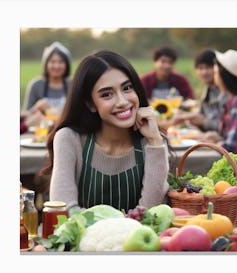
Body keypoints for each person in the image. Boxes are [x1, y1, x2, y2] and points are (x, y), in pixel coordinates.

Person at [41, 50, 170, 212]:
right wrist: (119, 226)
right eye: (107, 94)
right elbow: (63, 210)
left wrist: (156, 142)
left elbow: (153, 212)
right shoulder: (69, 138)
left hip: (140, 237)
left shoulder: (150, 141)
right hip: (82, 237)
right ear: (90, 104)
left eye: (127, 88)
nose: (122, 102)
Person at [200, 49, 237, 155]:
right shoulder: (231, 101)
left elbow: (232, 148)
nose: (214, 77)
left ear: (224, 76)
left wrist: (212, 144)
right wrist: (219, 137)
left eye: (215, 73)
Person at [173, 48, 228, 132]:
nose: (204, 72)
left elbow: (229, 126)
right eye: (200, 68)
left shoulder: (226, 91)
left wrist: (204, 122)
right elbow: (200, 116)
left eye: (208, 67)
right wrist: (187, 116)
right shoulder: (207, 90)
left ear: (217, 68)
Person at [22, 41, 72, 115]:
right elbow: (24, 117)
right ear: (46, 64)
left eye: (61, 62)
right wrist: (36, 108)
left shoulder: (72, 84)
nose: (56, 66)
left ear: (67, 65)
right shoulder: (36, 85)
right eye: (52, 62)